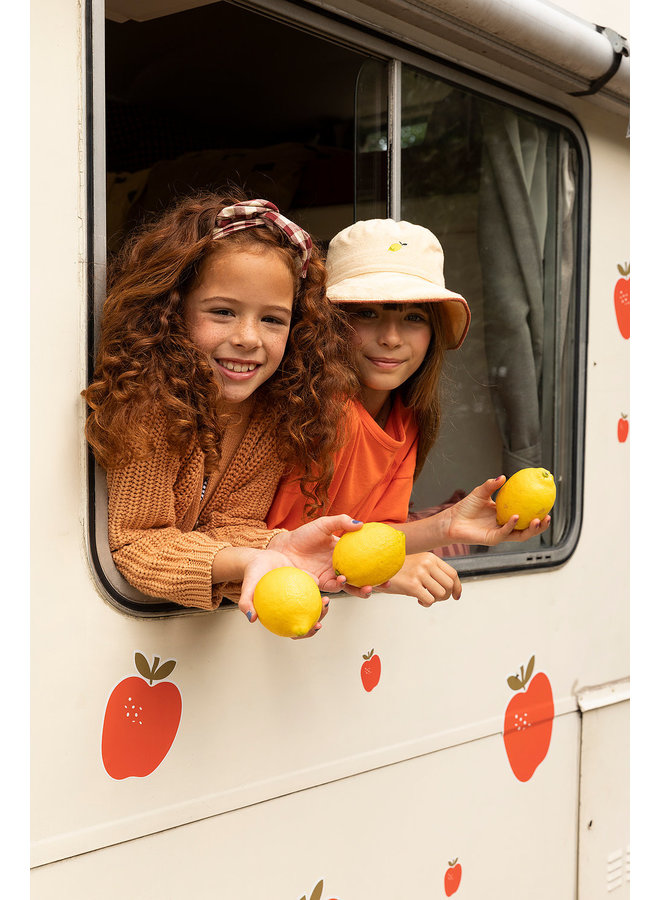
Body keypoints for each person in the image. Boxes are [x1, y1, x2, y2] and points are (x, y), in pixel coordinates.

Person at [83, 192, 370, 637]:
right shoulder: (151, 405)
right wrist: (248, 559)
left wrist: (281, 547)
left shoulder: (273, 413)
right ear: (172, 308)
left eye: (273, 320)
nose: (247, 337)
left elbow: (230, 524)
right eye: (222, 312)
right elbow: (135, 542)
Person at [267, 218, 551, 606]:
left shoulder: (405, 417)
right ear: (328, 321)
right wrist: (386, 569)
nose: (391, 337)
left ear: (433, 333)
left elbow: (376, 534)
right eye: (367, 313)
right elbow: (278, 544)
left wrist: (449, 526)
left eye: (414, 317)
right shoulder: (307, 410)